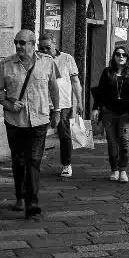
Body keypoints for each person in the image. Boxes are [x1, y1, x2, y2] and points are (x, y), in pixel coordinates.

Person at [0, 29, 60, 218]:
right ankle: (20, 196)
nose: (18, 46)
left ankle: (32, 202)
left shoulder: (47, 62)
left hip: (39, 119)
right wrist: (7, 104)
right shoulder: (6, 64)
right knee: (19, 160)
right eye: (16, 43)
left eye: (22, 42)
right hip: (15, 121)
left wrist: (57, 110)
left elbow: (53, 87)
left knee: (34, 160)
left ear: (32, 44)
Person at [92, 46, 129, 183]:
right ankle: (114, 169)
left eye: (124, 55)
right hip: (108, 112)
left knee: (124, 142)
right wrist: (95, 108)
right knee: (112, 142)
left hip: (126, 113)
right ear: (114, 56)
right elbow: (100, 92)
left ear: (127, 58)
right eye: (118, 54)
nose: (121, 57)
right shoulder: (107, 72)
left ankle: (123, 170)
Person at [38, 34, 82, 179]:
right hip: (43, 103)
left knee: (64, 134)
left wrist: (79, 102)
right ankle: (35, 164)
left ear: (55, 44)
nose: (44, 50)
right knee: (38, 135)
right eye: (41, 47)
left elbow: (75, 81)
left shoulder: (66, 58)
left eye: (47, 47)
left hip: (63, 104)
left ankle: (66, 164)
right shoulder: (37, 59)